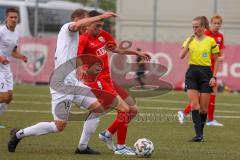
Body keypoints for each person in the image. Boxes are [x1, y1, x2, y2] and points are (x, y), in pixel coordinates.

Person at [7, 9, 118, 154]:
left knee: (97, 109)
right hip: (62, 84)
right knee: (59, 126)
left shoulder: (75, 36)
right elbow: (78, 26)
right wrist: (102, 16)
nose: (87, 26)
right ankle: (18, 134)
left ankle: (82, 148)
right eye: (87, 22)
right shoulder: (67, 28)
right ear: (77, 19)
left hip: (74, 83)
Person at [77, 10, 150, 155]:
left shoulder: (104, 36)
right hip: (96, 82)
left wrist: (137, 53)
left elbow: (117, 50)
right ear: (87, 24)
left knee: (134, 110)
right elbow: (77, 58)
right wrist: (80, 68)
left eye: (101, 26)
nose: (100, 29)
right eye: (97, 26)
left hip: (108, 80)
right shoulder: (83, 39)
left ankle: (108, 134)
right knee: (124, 109)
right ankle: (121, 147)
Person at [178, 16, 225, 126]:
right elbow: (198, 52)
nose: (217, 25)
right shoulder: (205, 35)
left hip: (211, 69)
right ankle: (206, 118)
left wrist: (219, 57)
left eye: (219, 23)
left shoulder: (220, 36)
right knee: (206, 94)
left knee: (210, 93)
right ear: (210, 24)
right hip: (204, 69)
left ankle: (206, 118)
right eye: (215, 23)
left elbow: (220, 54)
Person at [0, 8, 28, 129]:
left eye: (15, 17)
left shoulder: (16, 33)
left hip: (6, 66)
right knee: (4, 96)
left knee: (9, 98)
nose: (13, 19)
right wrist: (1, 58)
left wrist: (21, 56)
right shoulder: (1, 31)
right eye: (11, 17)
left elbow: (12, 51)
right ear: (6, 18)